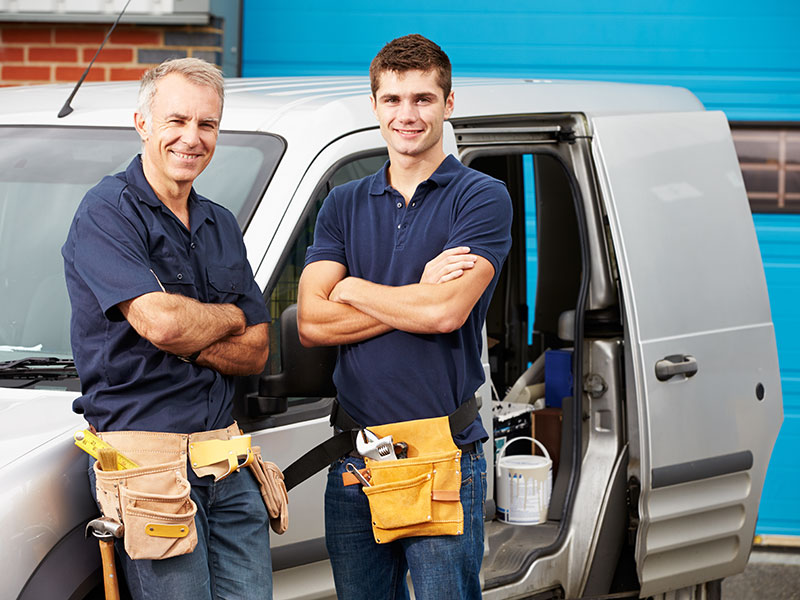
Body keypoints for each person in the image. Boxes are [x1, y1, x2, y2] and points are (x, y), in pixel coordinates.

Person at [297, 34, 513, 599]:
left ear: (448, 103)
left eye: (422, 98)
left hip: (442, 451)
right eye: (392, 100)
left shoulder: (481, 197)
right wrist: (414, 290)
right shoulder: (342, 203)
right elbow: (312, 323)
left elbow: (444, 313)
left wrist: (351, 286)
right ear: (374, 106)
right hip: (357, 458)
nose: (407, 114)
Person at [62, 58, 277, 600]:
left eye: (207, 125)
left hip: (225, 459)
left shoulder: (220, 222)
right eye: (176, 120)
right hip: (146, 464)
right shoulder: (106, 212)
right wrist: (226, 317)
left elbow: (256, 349)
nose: (192, 138)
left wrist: (193, 330)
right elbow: (162, 324)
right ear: (142, 123)